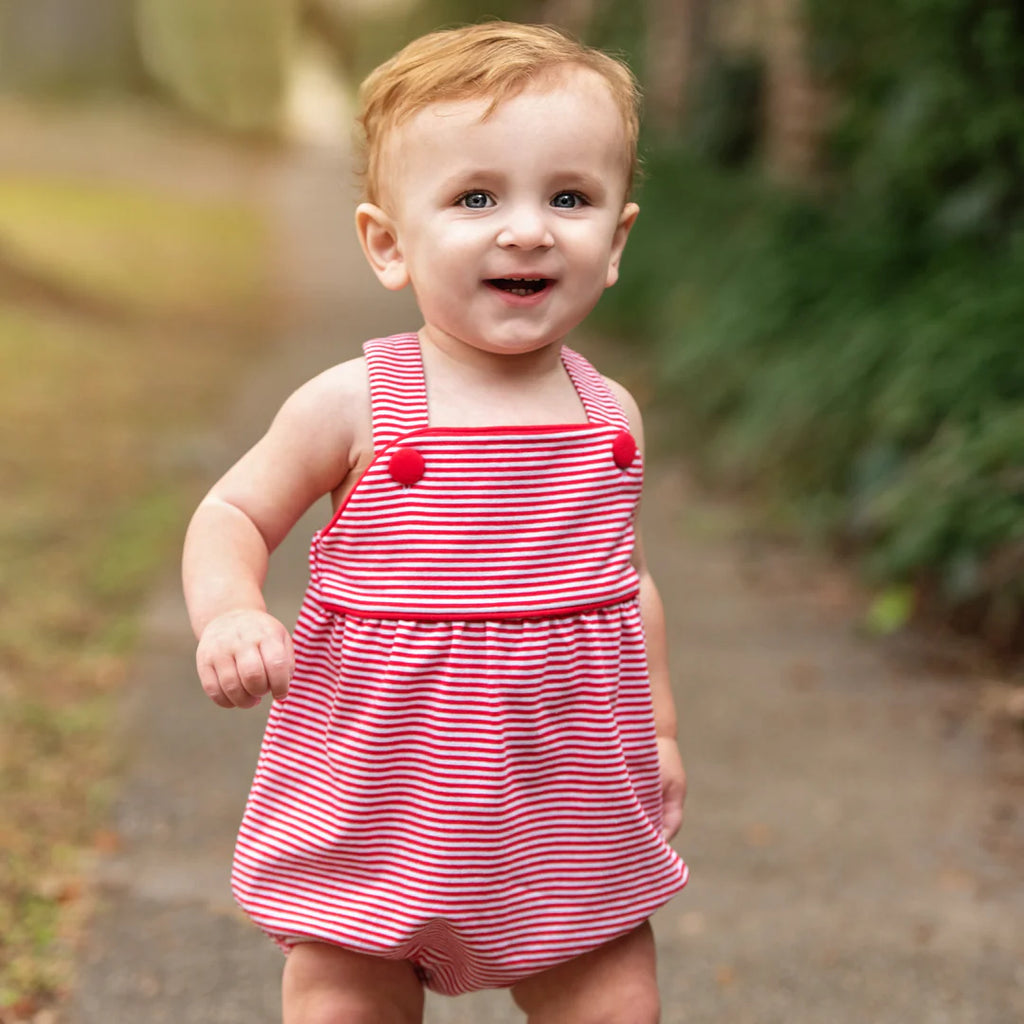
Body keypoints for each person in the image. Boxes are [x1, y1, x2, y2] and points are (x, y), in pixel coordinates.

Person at [182, 20, 688, 1024]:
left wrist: (660, 730)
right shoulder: (358, 401)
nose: (528, 228)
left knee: (613, 989)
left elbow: (624, 586)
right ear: (386, 242)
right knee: (344, 992)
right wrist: (231, 612)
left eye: (569, 197)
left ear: (616, 241)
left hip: (568, 793)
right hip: (378, 792)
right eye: (475, 197)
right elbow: (233, 509)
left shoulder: (608, 415)